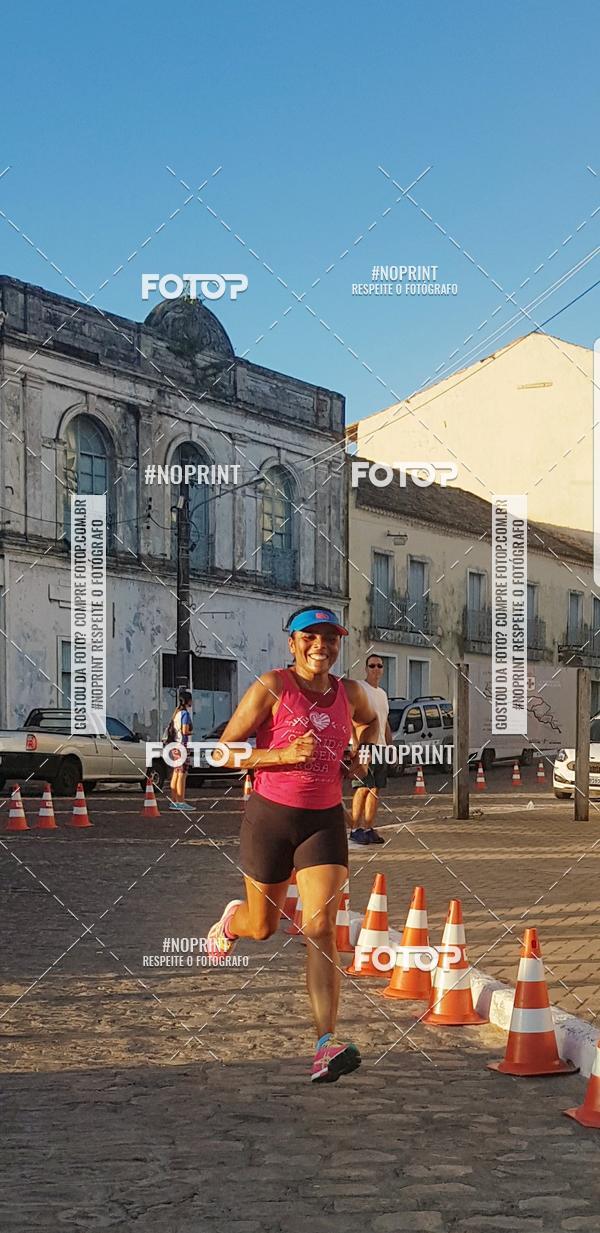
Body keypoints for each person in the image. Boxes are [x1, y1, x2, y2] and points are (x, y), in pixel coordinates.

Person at [206, 605, 379, 1083]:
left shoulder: (351, 693)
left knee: (320, 926)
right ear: (293, 643)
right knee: (263, 927)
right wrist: (280, 754)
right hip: (270, 818)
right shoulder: (273, 686)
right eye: (310, 637)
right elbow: (221, 751)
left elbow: (370, 723)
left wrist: (361, 753)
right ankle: (233, 921)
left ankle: (325, 1044)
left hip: (324, 821)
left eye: (330, 637)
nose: (321, 645)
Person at [349, 655, 392, 846]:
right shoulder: (360, 688)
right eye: (372, 665)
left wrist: (390, 747)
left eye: (379, 666)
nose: (376, 669)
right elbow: (350, 716)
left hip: (380, 746)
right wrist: (354, 742)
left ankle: (368, 828)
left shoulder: (382, 694)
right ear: (366, 668)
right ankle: (354, 829)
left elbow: (385, 722)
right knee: (362, 787)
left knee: (375, 789)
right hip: (365, 745)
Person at [169, 690, 193, 809]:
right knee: (182, 774)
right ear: (188, 701)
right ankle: (181, 801)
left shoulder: (176, 714)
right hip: (182, 746)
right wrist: (191, 732)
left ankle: (174, 800)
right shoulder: (185, 714)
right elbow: (185, 731)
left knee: (176, 772)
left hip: (174, 745)